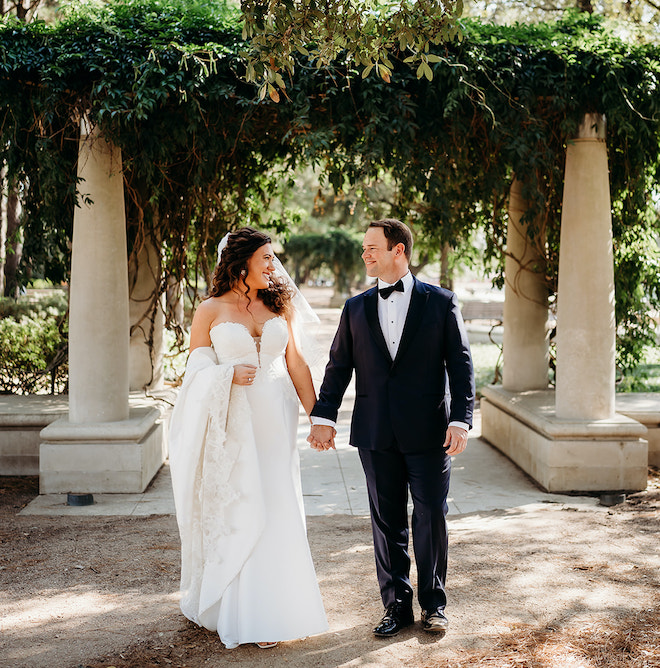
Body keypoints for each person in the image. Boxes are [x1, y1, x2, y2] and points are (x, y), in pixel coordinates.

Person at [308, 218, 474, 639]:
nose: (365, 254)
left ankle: (434, 605)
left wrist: (461, 420)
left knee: (432, 513)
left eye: (372, 247)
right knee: (386, 521)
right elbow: (338, 367)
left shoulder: (441, 302)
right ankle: (396, 606)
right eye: (364, 248)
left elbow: (460, 364)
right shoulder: (355, 308)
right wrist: (323, 418)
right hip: (375, 431)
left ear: (398, 250)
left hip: (430, 432)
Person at [169, 227, 328, 650]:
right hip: (234, 421)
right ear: (240, 265)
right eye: (266, 259)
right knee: (243, 499)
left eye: (272, 259)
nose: (273, 267)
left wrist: (319, 419)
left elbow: (295, 365)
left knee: (278, 499)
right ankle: (237, 606)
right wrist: (227, 375)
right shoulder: (209, 310)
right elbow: (195, 373)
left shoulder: (280, 305)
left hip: (276, 417)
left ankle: (276, 606)